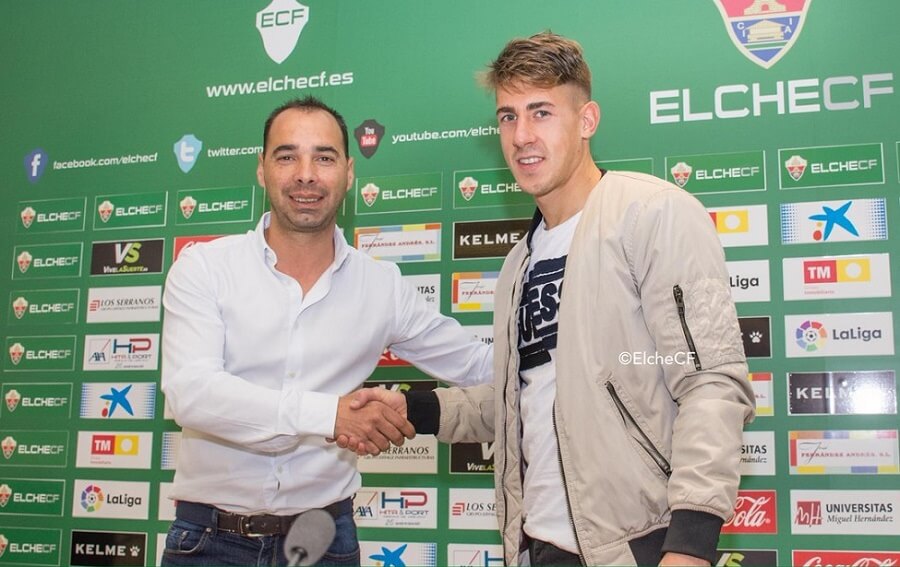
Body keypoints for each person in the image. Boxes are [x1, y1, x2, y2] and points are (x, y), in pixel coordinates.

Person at [347, 32, 755, 566]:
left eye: (541, 112)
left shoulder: (651, 214)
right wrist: (414, 408)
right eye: (507, 117)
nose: (521, 135)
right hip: (537, 545)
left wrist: (691, 545)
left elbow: (710, 381)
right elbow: (525, 400)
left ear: (586, 120)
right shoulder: (520, 262)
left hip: (639, 545)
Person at [160, 96, 492, 566]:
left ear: (349, 173)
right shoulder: (205, 268)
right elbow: (191, 394)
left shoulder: (382, 286)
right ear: (261, 169)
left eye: (324, 157)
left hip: (323, 542)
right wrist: (329, 416)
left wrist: (587, 353)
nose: (306, 174)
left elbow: (481, 366)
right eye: (287, 156)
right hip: (208, 540)